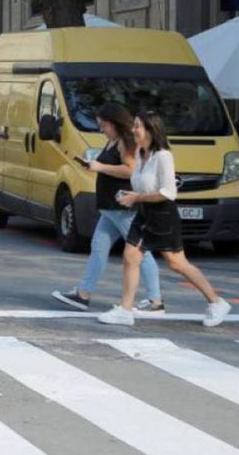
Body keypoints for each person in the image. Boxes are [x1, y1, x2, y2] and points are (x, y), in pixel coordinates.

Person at [98, 111, 231, 327]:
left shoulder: (163, 156)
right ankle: (124, 309)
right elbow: (140, 183)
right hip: (144, 213)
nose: (133, 130)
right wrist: (129, 196)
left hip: (163, 215)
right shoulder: (140, 153)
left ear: (150, 130)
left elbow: (169, 192)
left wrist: (137, 197)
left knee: (177, 263)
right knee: (131, 256)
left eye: (137, 126)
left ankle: (216, 302)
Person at [52, 103, 163, 313]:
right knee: (98, 248)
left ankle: (155, 300)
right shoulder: (112, 142)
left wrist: (99, 166)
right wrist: (92, 164)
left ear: (115, 123)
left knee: (140, 251)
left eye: (103, 125)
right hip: (110, 209)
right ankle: (83, 294)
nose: (101, 129)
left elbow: (130, 170)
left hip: (122, 207)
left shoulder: (126, 143)